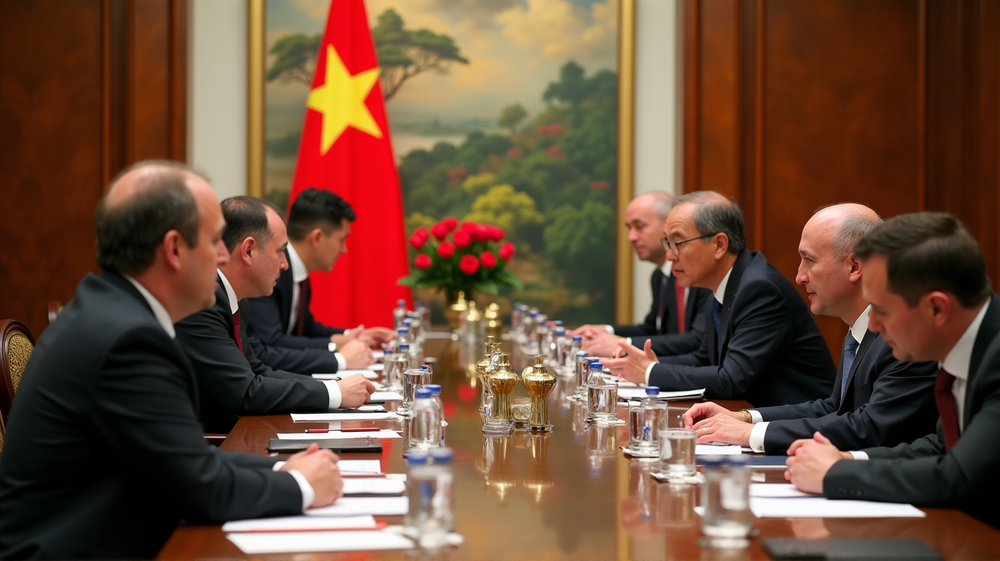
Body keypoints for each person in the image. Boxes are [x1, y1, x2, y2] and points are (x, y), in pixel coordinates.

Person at [0, 162, 342, 559]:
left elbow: (182, 458)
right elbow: (201, 488)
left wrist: (284, 469)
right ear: (174, 249)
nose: (223, 256)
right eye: (214, 241)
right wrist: (301, 486)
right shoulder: (129, 340)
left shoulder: (111, 310)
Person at [785, 212, 1000, 529]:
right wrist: (848, 458)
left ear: (936, 308)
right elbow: (939, 447)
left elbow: (957, 476)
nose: (872, 325)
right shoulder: (963, 342)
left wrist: (835, 473)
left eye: (882, 310)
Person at [682, 204, 938, 453]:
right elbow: (834, 408)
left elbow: (868, 428)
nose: (799, 276)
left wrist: (751, 434)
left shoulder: (901, 338)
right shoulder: (860, 330)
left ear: (854, 267)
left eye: (809, 260)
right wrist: (745, 418)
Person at [604, 191, 835, 407]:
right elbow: (704, 358)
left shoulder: (759, 289)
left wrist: (649, 372)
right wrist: (647, 364)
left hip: (805, 425)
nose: (670, 255)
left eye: (678, 243)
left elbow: (732, 379)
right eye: (667, 243)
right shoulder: (723, 284)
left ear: (719, 245)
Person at [174, 196, 374, 433]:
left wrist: (335, 386)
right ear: (248, 250)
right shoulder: (202, 302)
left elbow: (258, 370)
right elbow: (246, 392)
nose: (285, 264)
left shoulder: (235, 299)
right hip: (212, 441)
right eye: (280, 251)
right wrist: (334, 392)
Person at [247, 188, 393, 374]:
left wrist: (349, 335)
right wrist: (338, 348)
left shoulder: (299, 274)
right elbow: (272, 342)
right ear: (317, 238)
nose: (344, 249)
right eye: (341, 239)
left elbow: (306, 328)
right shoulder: (271, 273)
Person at [571, 192, 711, 357]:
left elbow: (697, 340)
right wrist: (606, 331)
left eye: (639, 226)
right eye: (629, 228)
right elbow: (653, 329)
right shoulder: (659, 277)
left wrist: (625, 344)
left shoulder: (700, 272)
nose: (631, 237)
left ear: (668, 225)